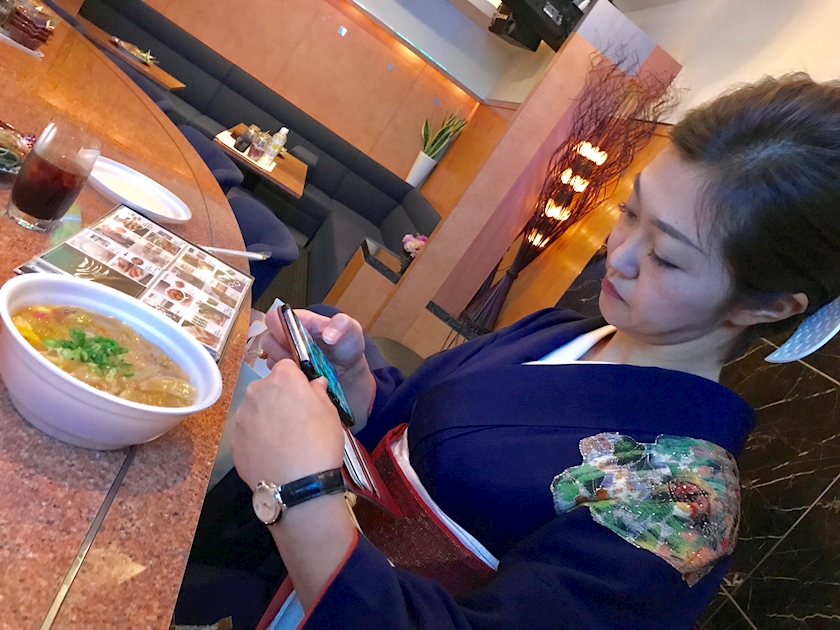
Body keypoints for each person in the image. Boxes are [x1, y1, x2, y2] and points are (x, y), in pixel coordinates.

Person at [185, 74, 840, 630]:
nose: (619, 255)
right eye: (630, 212)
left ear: (766, 307)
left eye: (667, 257)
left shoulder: (680, 508)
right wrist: (351, 380)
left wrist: (301, 492)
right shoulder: (566, 331)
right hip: (269, 575)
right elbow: (409, 438)